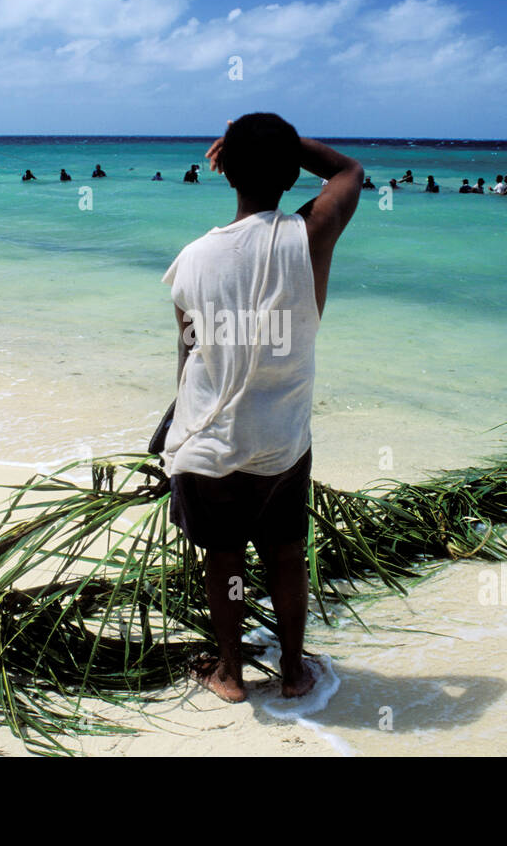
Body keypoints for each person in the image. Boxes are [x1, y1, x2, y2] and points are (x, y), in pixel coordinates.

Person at [163, 113, 362, 703]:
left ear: (223, 171)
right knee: (285, 555)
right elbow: (347, 170)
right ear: (287, 171)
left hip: (207, 439)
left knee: (223, 559)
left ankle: (230, 673)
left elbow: (188, 352)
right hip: (280, 442)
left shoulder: (192, 259)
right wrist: (277, 144)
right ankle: (294, 670)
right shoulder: (308, 236)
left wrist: (175, 421)